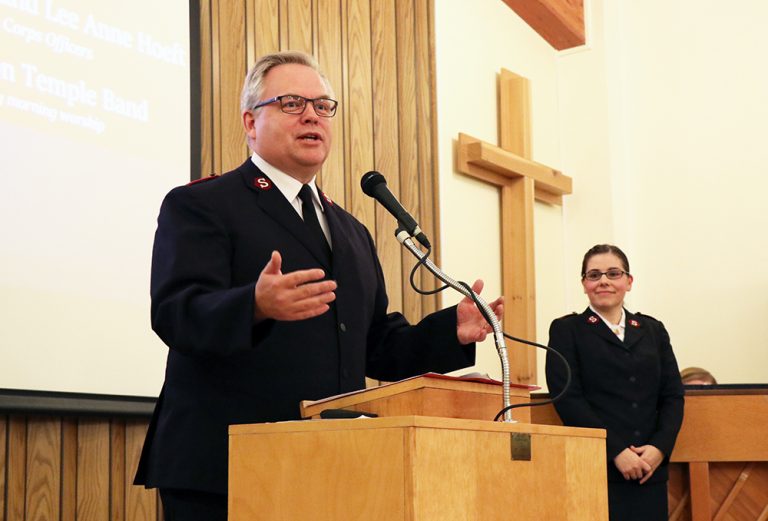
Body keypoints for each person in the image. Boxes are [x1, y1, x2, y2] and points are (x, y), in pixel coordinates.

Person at [133, 50, 502, 521]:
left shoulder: (350, 230)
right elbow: (175, 312)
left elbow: (375, 346)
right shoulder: (204, 203)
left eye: (322, 105)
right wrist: (254, 304)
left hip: (328, 463)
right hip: (225, 467)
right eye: (290, 103)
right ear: (250, 122)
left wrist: (451, 330)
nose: (311, 115)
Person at [545, 244, 684, 521]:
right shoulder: (567, 329)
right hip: (598, 468)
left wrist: (660, 448)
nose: (604, 281)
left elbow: (672, 396)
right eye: (594, 275)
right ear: (584, 284)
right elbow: (567, 397)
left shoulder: (652, 329)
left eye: (613, 273)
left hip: (649, 469)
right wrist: (616, 452)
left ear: (628, 282)